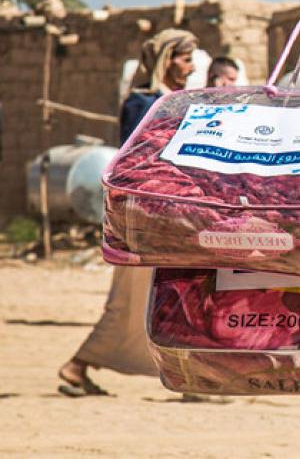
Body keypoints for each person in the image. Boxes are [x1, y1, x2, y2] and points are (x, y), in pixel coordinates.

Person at [57, 29, 197, 397]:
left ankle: (190, 377)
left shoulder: (181, 100)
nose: (191, 66)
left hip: (176, 213)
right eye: (184, 58)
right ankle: (78, 365)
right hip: (144, 215)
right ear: (166, 58)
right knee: (131, 300)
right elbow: (137, 161)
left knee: (178, 295)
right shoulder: (142, 103)